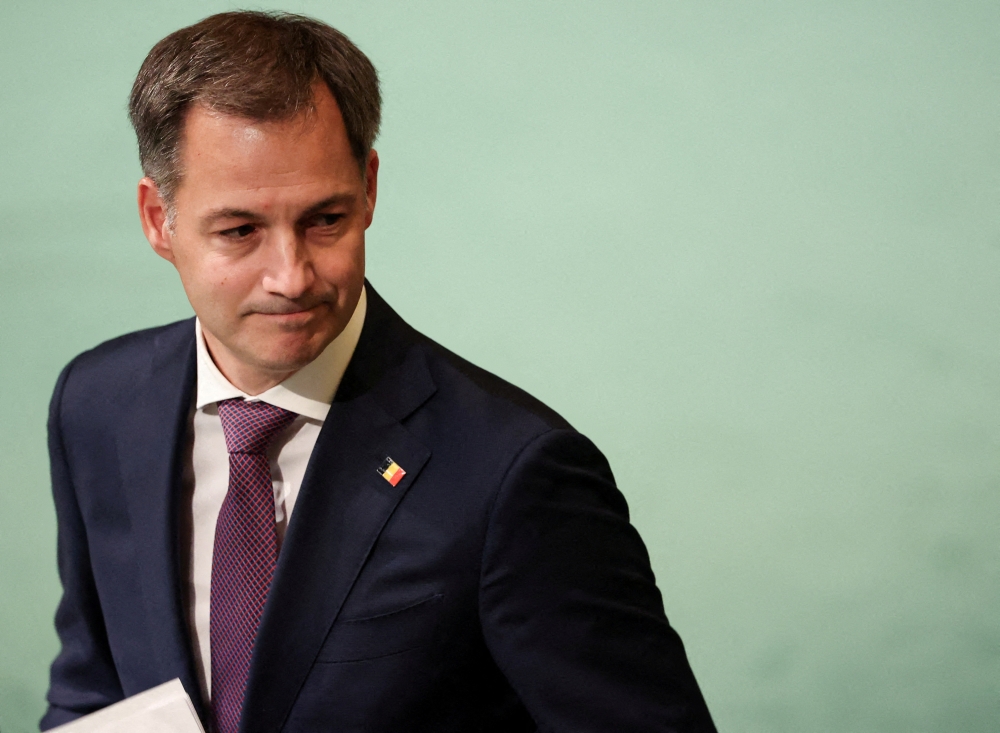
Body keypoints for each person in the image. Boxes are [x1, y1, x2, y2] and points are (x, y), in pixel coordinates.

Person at [41, 11, 716, 733]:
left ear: (368, 188)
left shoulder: (513, 474)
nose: (290, 275)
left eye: (324, 219)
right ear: (158, 219)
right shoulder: (97, 407)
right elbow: (94, 692)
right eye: (240, 230)